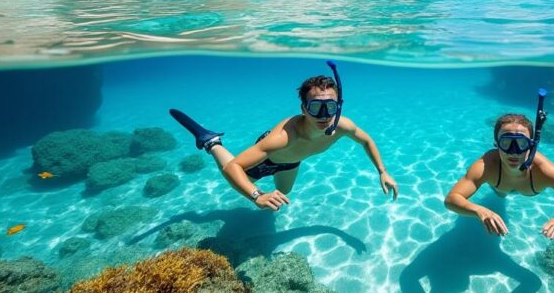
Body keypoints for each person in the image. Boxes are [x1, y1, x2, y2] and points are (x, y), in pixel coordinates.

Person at [170, 65, 398, 211]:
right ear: (303, 109)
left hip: (292, 160)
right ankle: (211, 142)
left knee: (284, 194)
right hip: (271, 156)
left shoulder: (343, 126)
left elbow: (366, 140)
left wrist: (382, 171)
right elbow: (233, 167)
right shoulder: (283, 137)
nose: (324, 115)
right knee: (238, 179)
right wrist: (256, 196)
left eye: (329, 107)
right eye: (315, 107)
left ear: (337, 107)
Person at [444, 112, 554, 239]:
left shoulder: (546, 171)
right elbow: (451, 199)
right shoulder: (486, 166)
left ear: (532, 144)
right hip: (500, 186)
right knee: (500, 194)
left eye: (521, 143)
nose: (513, 151)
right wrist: (479, 210)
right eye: (506, 143)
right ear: (496, 143)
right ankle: (500, 194)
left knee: (501, 193)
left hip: (518, 183)